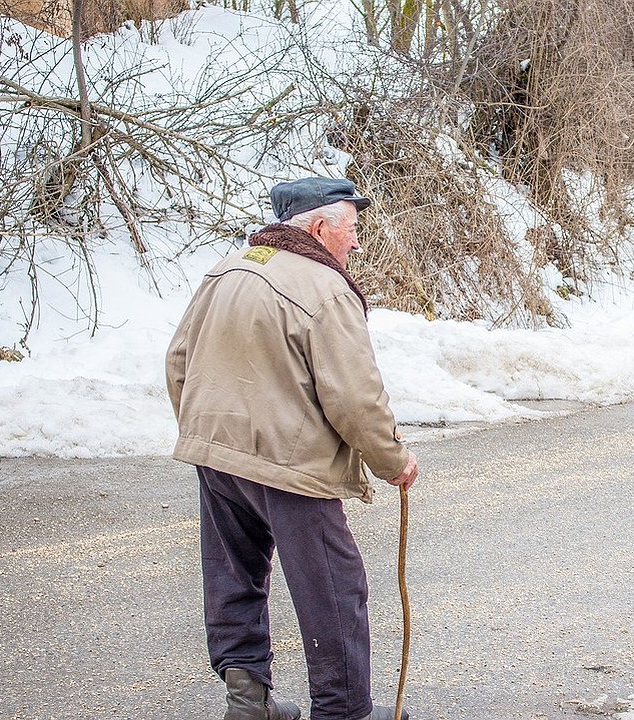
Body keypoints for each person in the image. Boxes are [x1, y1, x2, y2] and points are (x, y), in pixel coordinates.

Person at [166, 177, 418, 720]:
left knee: (234, 576)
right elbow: (355, 397)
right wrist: (393, 460)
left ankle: (247, 701)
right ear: (320, 226)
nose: (355, 243)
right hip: (289, 466)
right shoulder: (325, 290)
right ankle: (342, 712)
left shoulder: (226, 270)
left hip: (216, 456)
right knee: (333, 591)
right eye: (351, 229)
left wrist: (207, 430)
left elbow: (178, 361)